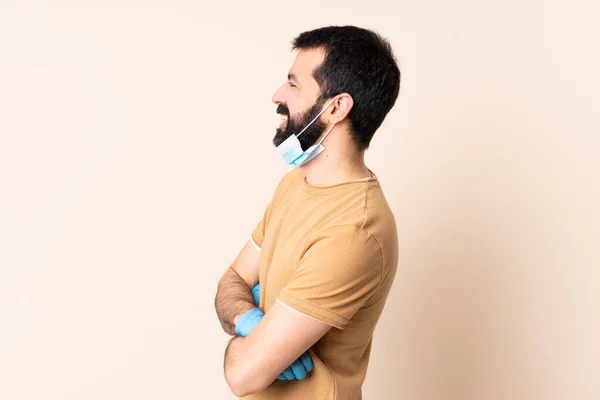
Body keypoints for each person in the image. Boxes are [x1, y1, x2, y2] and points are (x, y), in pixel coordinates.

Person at [214, 25, 401, 399]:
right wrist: (246, 319)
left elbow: (242, 375)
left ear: (336, 107)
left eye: (294, 84)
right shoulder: (295, 185)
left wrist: (246, 345)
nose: (277, 95)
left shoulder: (354, 229)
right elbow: (231, 280)